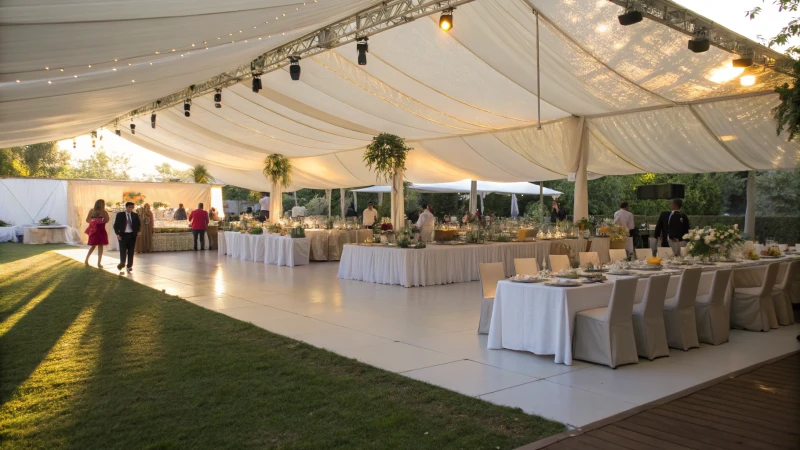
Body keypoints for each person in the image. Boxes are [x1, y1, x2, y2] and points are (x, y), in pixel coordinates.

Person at [113, 202, 141, 273]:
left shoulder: (135, 215)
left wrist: (139, 231)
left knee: (131, 251)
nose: (130, 208)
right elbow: (115, 226)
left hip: (132, 235)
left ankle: (129, 266)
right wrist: (117, 234)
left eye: (132, 207)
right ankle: (122, 263)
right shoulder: (120, 215)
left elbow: (138, 224)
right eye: (129, 207)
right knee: (123, 250)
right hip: (123, 235)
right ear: (126, 207)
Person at [84, 199, 110, 268]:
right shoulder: (102, 212)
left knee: (97, 246)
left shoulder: (96, 211)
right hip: (97, 230)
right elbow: (106, 220)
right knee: (96, 246)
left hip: (99, 230)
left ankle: (94, 261)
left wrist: (93, 221)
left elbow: (87, 220)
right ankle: (96, 262)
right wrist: (97, 221)